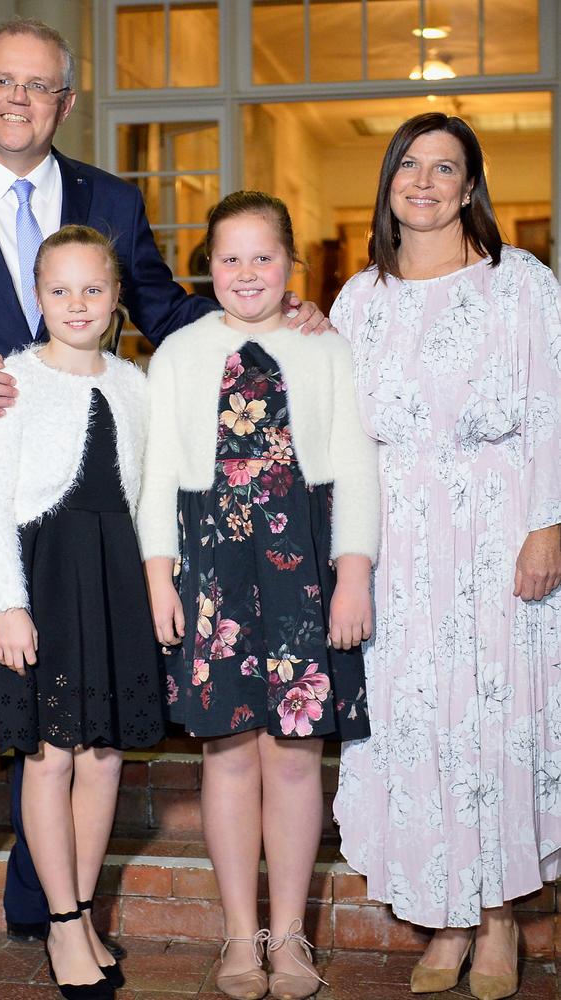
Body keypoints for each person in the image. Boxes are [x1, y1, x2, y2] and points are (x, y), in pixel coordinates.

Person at [0, 15, 327, 975]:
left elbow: (169, 312)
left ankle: (48, 905)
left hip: (84, 526)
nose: (20, 100)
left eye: (40, 86)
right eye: (2, 83)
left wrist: (262, 315)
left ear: (66, 101)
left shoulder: (111, 196)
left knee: (69, 720)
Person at [330, 112, 561, 1000]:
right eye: (408, 167)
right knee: (418, 726)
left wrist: (548, 524)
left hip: (498, 532)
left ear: (471, 187)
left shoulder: (519, 283)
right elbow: (340, 430)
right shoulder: (359, 298)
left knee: (493, 721)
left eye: (444, 168)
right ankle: (446, 921)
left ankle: (499, 921)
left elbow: (549, 405)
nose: (423, 182)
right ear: (389, 183)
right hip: (398, 543)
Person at [137, 191, 380, 1000]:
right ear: (207, 266)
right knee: (229, 756)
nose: (246, 272)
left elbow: (356, 468)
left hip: (301, 571)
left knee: (298, 757)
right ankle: (242, 937)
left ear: (291, 265)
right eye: (229, 257)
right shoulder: (177, 353)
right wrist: (159, 577)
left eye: (263, 256)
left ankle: (292, 941)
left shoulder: (326, 348)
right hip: (212, 573)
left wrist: (353, 574)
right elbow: (156, 476)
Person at [0, 223, 161, 998]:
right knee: (51, 755)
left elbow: (149, 497)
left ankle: (82, 910)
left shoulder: (138, 385)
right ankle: (62, 925)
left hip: (112, 583)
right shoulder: (14, 378)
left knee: (103, 758)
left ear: (115, 300)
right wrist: (7, 604)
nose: (77, 303)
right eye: (60, 289)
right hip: (41, 580)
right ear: (38, 297)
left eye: (92, 289)